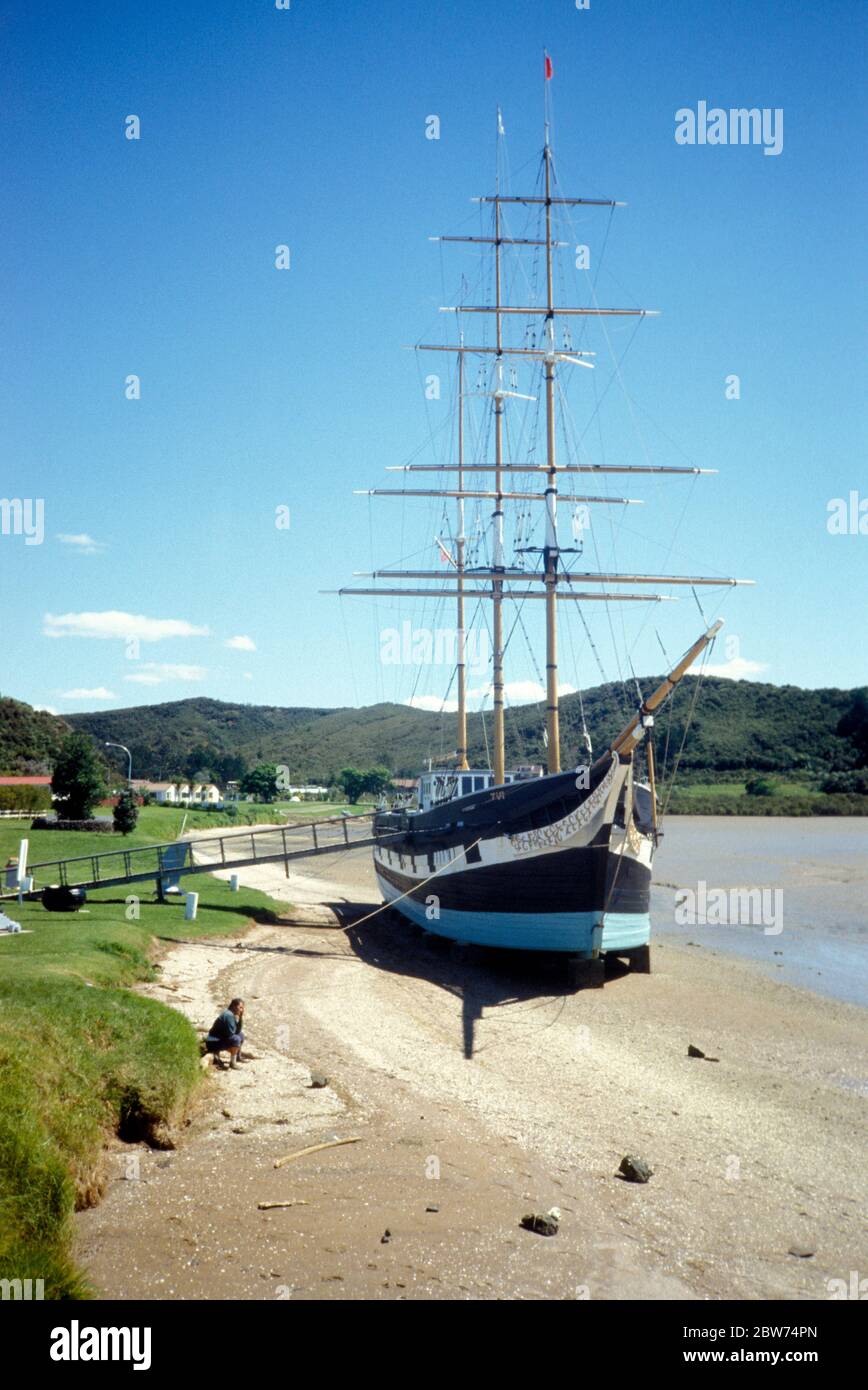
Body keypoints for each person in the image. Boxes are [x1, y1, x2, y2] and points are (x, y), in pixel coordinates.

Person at [206, 998, 246, 1069]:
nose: (241, 1010)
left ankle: (238, 1057)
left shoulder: (231, 1014)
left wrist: (240, 1017)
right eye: (240, 1007)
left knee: (241, 1035)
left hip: (218, 1039)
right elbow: (231, 1033)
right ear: (234, 1006)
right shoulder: (228, 1015)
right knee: (236, 1039)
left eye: (242, 1008)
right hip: (213, 1043)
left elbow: (237, 1031)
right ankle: (232, 1063)